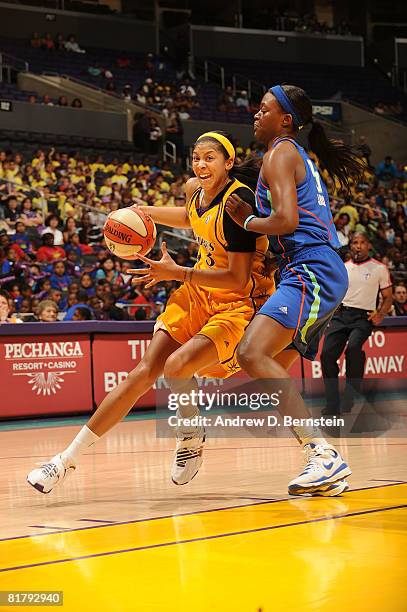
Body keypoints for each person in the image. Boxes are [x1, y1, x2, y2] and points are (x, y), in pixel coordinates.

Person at [26, 130, 275, 494]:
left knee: (177, 367)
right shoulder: (196, 190)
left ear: (229, 162)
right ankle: (64, 461)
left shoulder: (239, 202)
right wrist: (141, 214)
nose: (201, 164)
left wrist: (176, 273)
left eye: (210, 158)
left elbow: (237, 280)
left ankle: (190, 436)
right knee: (144, 371)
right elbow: (191, 217)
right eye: (197, 157)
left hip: (238, 303)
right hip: (199, 292)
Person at [225, 84, 366, 496]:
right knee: (264, 364)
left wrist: (249, 221)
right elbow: (295, 223)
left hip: (312, 269)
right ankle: (322, 463)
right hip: (306, 267)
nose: (255, 114)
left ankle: (323, 456)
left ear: (285, 119)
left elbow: (285, 220)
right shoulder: (289, 155)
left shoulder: (281, 152)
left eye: (263, 109)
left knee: (251, 354)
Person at [321, 233, 393, 414]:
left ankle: (350, 396)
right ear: (350, 246)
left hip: (363, 318)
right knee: (326, 356)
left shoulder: (379, 268)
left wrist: (381, 314)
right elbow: (333, 293)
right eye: (355, 243)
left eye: (362, 243)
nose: (358, 246)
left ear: (368, 245)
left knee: (353, 349)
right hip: (340, 316)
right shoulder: (343, 268)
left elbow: (388, 297)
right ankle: (332, 405)